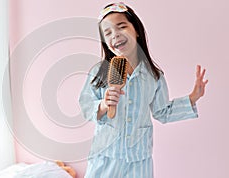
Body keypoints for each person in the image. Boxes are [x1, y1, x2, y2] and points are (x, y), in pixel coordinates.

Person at [79, 2, 208, 178]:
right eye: (107, 33)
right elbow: (86, 106)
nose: (115, 35)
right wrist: (103, 105)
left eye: (121, 26)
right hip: (105, 158)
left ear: (136, 30)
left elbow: (162, 112)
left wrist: (192, 98)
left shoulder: (154, 76)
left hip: (139, 161)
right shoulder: (99, 73)